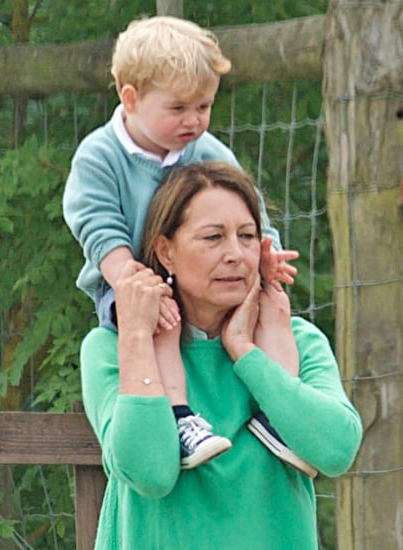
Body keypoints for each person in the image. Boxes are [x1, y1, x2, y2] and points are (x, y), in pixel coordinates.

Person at [80, 161, 363, 550]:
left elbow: (336, 450)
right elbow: (151, 472)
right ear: (166, 251)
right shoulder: (111, 349)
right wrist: (136, 335)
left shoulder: (299, 340)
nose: (235, 254)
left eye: (247, 236)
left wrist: (245, 352)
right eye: (213, 238)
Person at [63, 16, 300, 469]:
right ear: (130, 99)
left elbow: (248, 208)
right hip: (128, 278)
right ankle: (179, 418)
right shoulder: (99, 156)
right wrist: (136, 286)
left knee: (274, 305)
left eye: (204, 106)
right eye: (178, 109)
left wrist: (265, 252)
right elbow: (96, 226)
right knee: (160, 322)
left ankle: (281, 414)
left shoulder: (208, 150)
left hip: (204, 277)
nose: (194, 120)